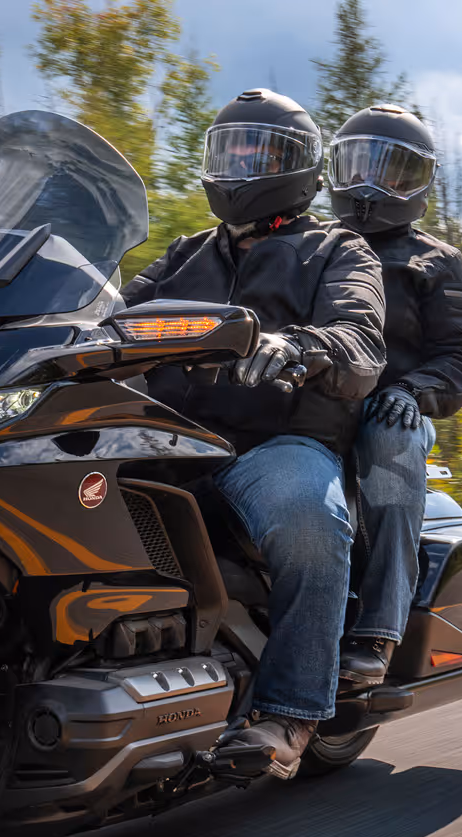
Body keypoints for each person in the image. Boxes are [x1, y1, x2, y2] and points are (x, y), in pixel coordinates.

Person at [119, 88, 387, 779]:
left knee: (307, 518)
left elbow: (360, 338)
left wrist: (303, 347)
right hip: (167, 439)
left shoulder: (337, 249)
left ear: (297, 168)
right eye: (228, 149)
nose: (239, 164)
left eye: (257, 152)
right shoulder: (184, 256)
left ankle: (291, 712)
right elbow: (105, 317)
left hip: (273, 442)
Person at [326, 104, 462, 688]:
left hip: (388, 408)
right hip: (310, 401)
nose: (370, 184)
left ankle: (377, 631)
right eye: (357, 166)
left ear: (416, 181)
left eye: (389, 170)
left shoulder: (436, 262)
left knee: (388, 440)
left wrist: (413, 392)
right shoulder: (312, 248)